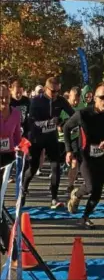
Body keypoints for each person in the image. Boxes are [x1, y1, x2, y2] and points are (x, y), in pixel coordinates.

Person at [65, 85, 104, 229]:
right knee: (90, 187)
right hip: (85, 155)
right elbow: (66, 127)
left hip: (101, 155)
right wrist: (69, 150)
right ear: (95, 99)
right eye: (103, 98)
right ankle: (77, 193)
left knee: (98, 190)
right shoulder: (83, 114)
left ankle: (85, 217)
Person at [21, 77, 75, 208]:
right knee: (33, 168)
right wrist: (49, 123)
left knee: (56, 166)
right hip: (37, 138)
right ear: (46, 89)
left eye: (58, 91)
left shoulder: (60, 100)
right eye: (53, 91)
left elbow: (73, 115)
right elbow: (32, 122)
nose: (56, 94)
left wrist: (64, 123)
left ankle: (54, 199)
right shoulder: (36, 101)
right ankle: (23, 188)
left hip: (51, 138)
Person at [0, 84, 21, 256]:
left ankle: (10, 247)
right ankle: (10, 247)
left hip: (8, 160)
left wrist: (22, 149)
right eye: (1, 97)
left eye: (6, 96)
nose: (4, 100)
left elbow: (16, 138)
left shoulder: (16, 113)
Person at [59, 87, 85, 193]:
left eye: (77, 100)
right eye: (74, 99)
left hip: (75, 138)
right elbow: (59, 125)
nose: (75, 102)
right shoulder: (63, 106)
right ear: (69, 96)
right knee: (58, 164)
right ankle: (56, 183)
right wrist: (63, 124)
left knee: (75, 162)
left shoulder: (81, 106)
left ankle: (71, 184)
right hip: (61, 138)